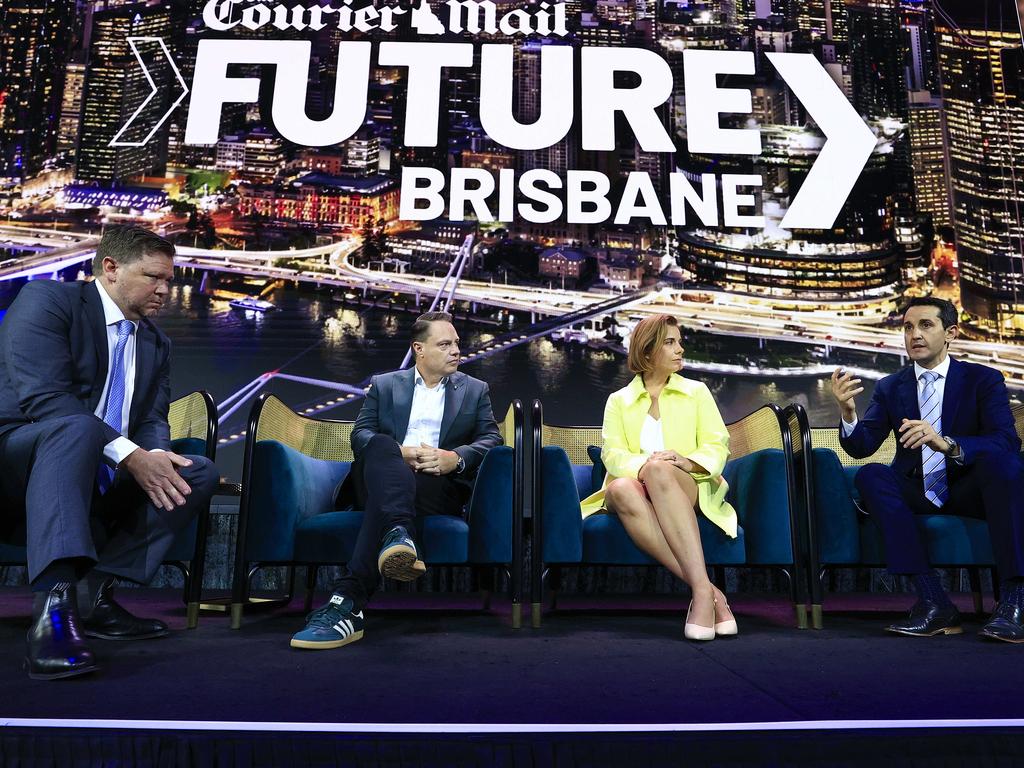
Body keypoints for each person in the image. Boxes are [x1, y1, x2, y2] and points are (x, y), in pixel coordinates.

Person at [0, 225, 219, 680]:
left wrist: (155, 459)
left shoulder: (157, 343)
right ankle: (53, 609)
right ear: (111, 269)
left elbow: (151, 421)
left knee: (194, 472)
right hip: (17, 463)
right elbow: (45, 401)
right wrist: (131, 457)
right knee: (76, 427)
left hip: (96, 469)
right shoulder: (47, 301)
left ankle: (93, 597)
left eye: (169, 280)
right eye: (152, 277)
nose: (163, 289)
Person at [291, 311, 503, 649]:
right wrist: (398, 453)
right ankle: (397, 534)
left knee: (393, 495)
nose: (456, 351)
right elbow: (361, 435)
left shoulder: (475, 390)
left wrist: (455, 458)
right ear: (419, 348)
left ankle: (347, 601)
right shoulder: (386, 384)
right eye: (445, 344)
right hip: (378, 476)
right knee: (380, 446)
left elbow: (492, 439)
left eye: (457, 344)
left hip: (436, 484)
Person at [832, 296, 1024, 642]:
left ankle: (1015, 602)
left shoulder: (983, 379)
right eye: (907, 327)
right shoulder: (891, 387)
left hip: (971, 490)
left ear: (950, 332)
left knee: (1006, 463)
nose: (914, 335)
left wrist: (946, 443)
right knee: (871, 475)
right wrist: (848, 413)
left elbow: (1006, 441)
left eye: (925, 325)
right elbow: (861, 447)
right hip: (918, 491)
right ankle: (934, 603)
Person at [581, 314, 738, 641]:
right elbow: (612, 455)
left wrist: (686, 461)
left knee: (659, 470)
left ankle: (704, 597)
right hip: (634, 488)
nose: (680, 349)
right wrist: (646, 465)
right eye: (670, 342)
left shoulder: (697, 392)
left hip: (685, 486)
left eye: (680, 342)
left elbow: (716, 444)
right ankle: (708, 593)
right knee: (622, 487)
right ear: (648, 350)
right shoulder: (618, 401)